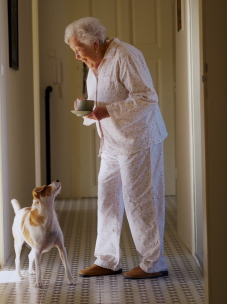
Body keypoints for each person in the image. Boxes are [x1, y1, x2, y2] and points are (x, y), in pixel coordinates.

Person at [64, 17, 169, 279]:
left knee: (140, 200)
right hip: (111, 141)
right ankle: (107, 260)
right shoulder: (94, 62)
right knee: (108, 199)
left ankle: (154, 263)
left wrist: (106, 110)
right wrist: (87, 105)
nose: (77, 56)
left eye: (79, 50)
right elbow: (108, 97)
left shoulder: (126, 55)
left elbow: (147, 97)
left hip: (139, 139)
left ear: (96, 43)